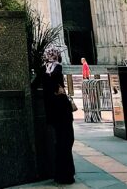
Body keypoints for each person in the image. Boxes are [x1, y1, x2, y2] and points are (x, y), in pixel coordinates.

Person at [42, 47, 75, 185]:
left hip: (53, 114)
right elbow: (56, 80)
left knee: (60, 143)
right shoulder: (57, 69)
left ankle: (59, 174)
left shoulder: (43, 71)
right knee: (66, 142)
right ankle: (66, 175)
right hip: (63, 112)